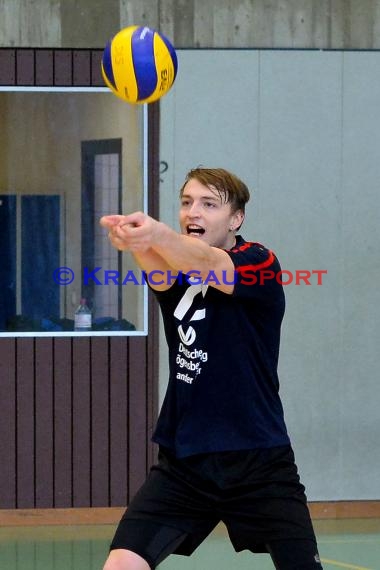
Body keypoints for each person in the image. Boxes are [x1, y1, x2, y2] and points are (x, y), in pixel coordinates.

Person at [100, 167, 323, 570]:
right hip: (185, 462)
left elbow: (207, 262)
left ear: (235, 219)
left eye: (208, 204)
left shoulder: (260, 262)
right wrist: (132, 237)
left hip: (258, 460)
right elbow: (162, 267)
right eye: (186, 202)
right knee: (121, 565)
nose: (193, 212)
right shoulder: (176, 265)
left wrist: (155, 234)